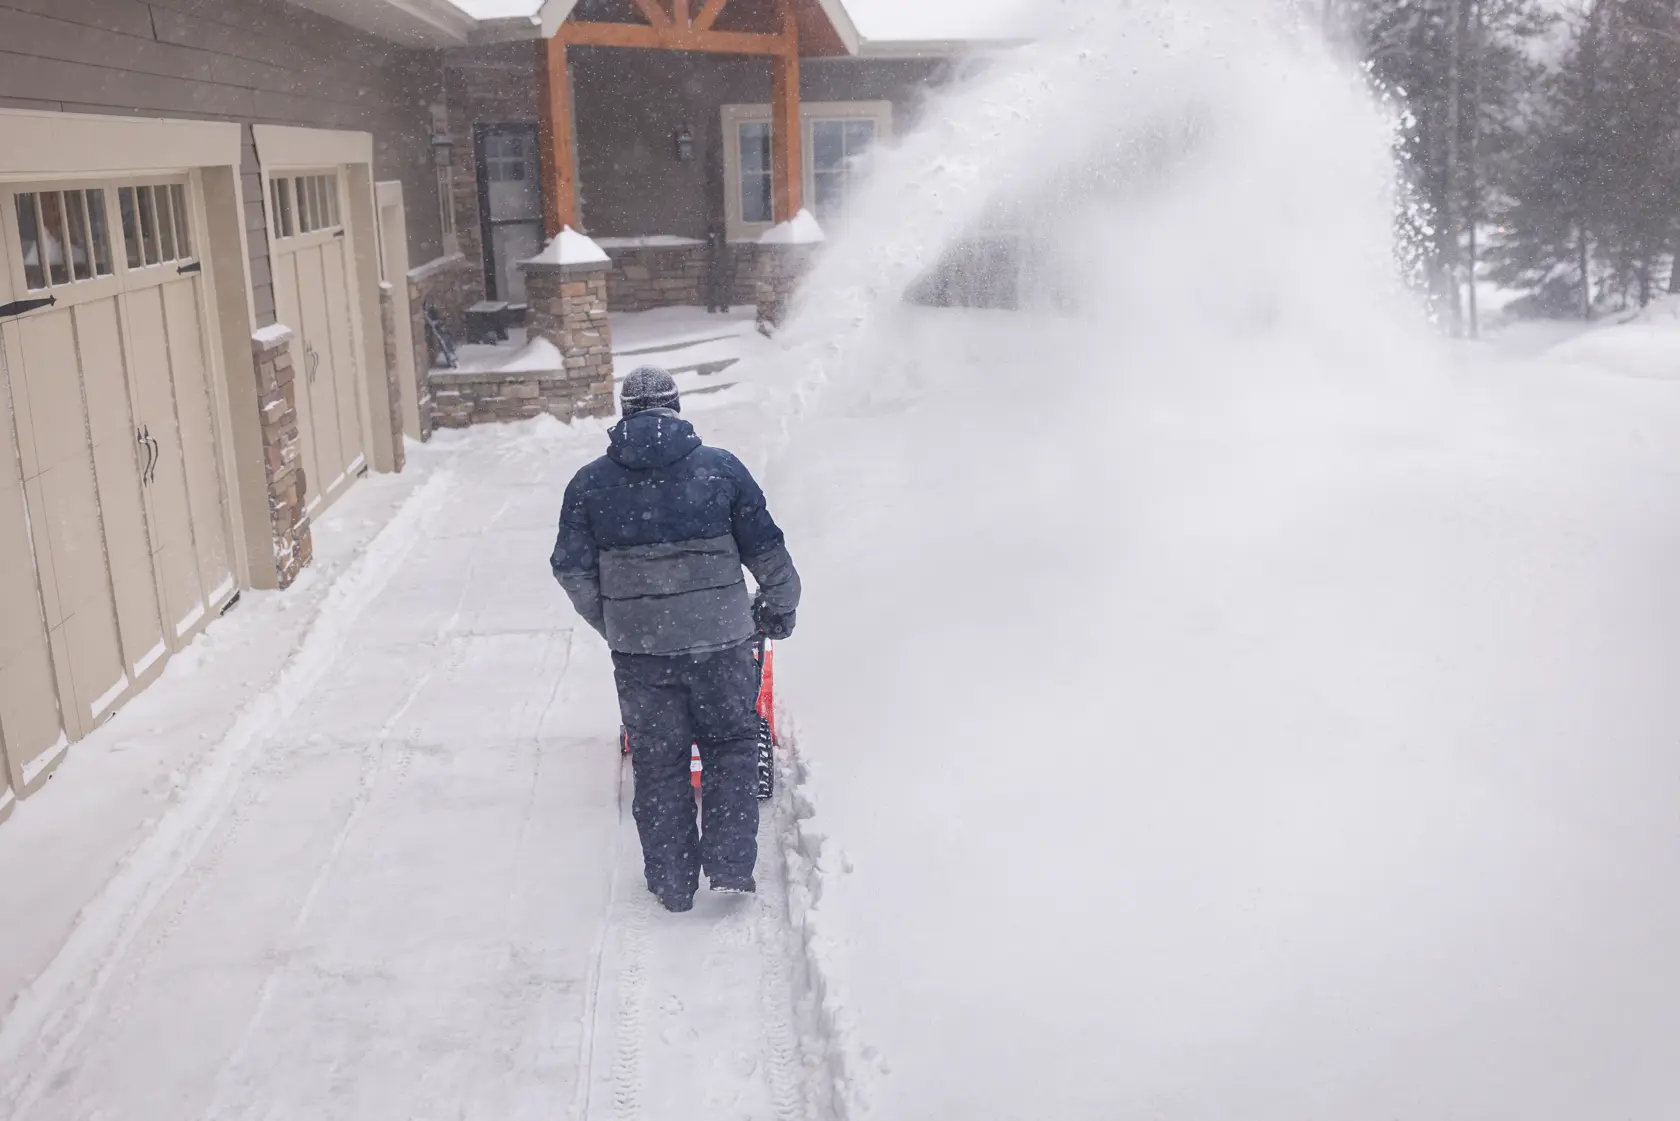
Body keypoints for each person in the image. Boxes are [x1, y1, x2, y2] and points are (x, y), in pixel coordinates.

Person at [551, 367, 801, 913]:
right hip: (722, 643)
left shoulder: (589, 485)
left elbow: (570, 570)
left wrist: (615, 621)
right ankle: (730, 867)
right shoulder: (721, 470)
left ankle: (672, 882)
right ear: (676, 406)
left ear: (625, 412)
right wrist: (779, 607)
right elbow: (767, 551)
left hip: (642, 655)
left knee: (659, 761)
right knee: (730, 747)